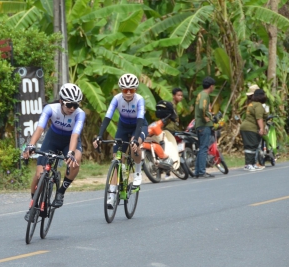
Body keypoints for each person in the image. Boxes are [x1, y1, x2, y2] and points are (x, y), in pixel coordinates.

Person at [23, 83, 85, 220]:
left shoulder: (80, 114)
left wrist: (70, 153)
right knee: (39, 175)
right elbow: (40, 128)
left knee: (76, 161)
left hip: (70, 141)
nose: (73, 108)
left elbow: (75, 135)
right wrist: (31, 145)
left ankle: (61, 191)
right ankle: (32, 206)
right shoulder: (50, 109)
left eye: (76, 105)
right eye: (69, 105)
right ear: (62, 101)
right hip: (52, 139)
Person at [92, 73, 151, 208]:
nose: (129, 93)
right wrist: (99, 136)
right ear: (121, 90)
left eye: (132, 90)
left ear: (135, 90)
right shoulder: (117, 99)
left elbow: (140, 120)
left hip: (139, 125)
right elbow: (107, 118)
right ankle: (112, 195)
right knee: (116, 159)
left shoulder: (139, 100)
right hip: (123, 127)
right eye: (125, 90)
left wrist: (135, 140)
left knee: (134, 146)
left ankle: (137, 173)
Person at [194, 77, 216, 178]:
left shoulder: (200, 94)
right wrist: (205, 117)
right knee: (204, 148)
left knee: (201, 148)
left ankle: (197, 172)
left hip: (199, 125)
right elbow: (202, 107)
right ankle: (202, 171)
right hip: (204, 125)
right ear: (211, 86)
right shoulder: (205, 95)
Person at [240, 88, 267, 171]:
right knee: (250, 147)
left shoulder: (252, 104)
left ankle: (252, 163)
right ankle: (248, 164)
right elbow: (259, 118)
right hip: (250, 128)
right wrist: (262, 129)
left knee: (253, 146)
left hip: (247, 127)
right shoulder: (258, 105)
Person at [164, 87, 184, 180]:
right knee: (170, 150)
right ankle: (168, 172)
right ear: (173, 96)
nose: (180, 97)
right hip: (169, 130)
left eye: (181, 95)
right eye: (178, 95)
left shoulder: (175, 106)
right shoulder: (171, 105)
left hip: (174, 129)